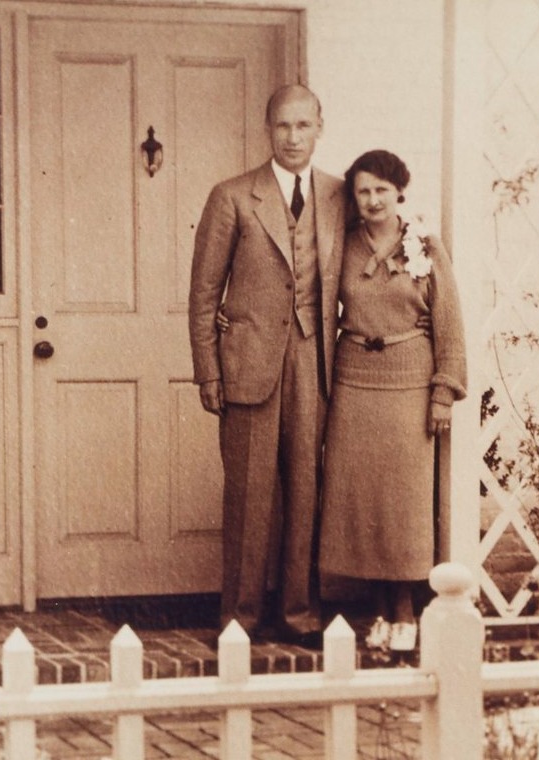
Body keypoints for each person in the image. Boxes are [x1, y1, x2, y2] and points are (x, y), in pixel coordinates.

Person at [188, 84, 346, 646]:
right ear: (267, 129)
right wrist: (209, 371)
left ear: (320, 128)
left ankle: (301, 613)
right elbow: (204, 292)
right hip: (248, 366)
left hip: (313, 362)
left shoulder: (339, 195)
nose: (294, 137)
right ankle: (241, 617)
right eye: (283, 126)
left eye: (304, 126)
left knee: (306, 491)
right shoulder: (233, 196)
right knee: (249, 496)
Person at [318, 149, 467, 653]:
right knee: (363, 501)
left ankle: (405, 611)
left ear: (399, 191)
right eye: (363, 191)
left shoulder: (424, 244)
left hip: (409, 384)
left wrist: (443, 392)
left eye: (382, 189)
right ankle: (378, 612)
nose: (373, 199)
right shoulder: (343, 244)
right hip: (355, 382)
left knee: (403, 504)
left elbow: (448, 321)